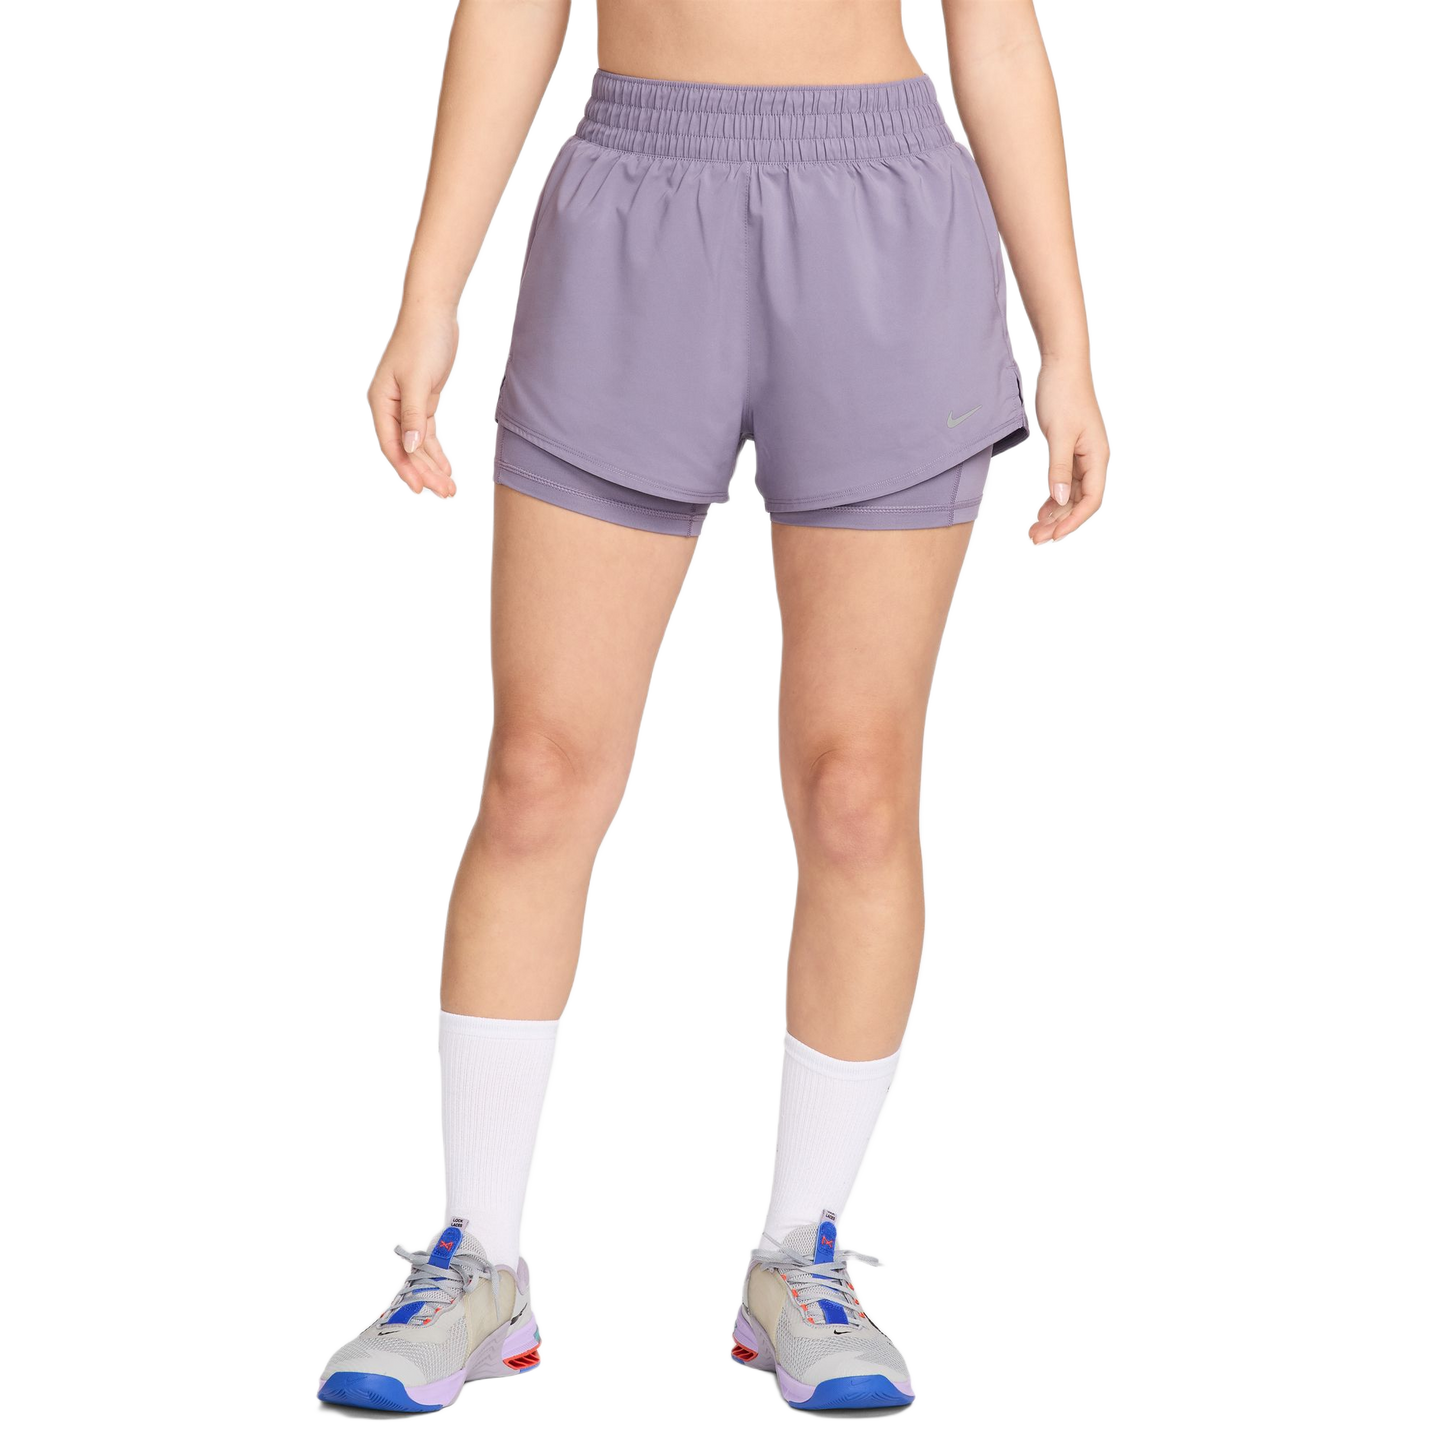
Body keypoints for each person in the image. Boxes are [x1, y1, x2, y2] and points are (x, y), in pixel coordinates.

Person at [320, 0, 1110, 1418]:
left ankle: (803, 1256)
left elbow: (996, 36)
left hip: (883, 224)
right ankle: (477, 1257)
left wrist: (1070, 340)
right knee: (540, 770)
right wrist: (429, 287)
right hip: (631, 206)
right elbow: (515, 4)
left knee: (856, 784)